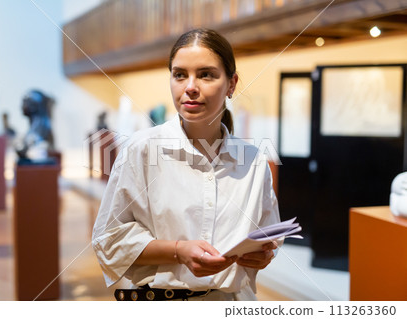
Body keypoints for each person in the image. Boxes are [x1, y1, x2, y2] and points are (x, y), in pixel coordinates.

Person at [92, 28, 280, 301]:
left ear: (231, 84)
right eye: (180, 74)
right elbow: (108, 240)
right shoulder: (141, 150)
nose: (190, 86)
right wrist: (178, 250)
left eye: (206, 74)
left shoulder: (253, 160)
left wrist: (262, 255)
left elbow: (268, 236)